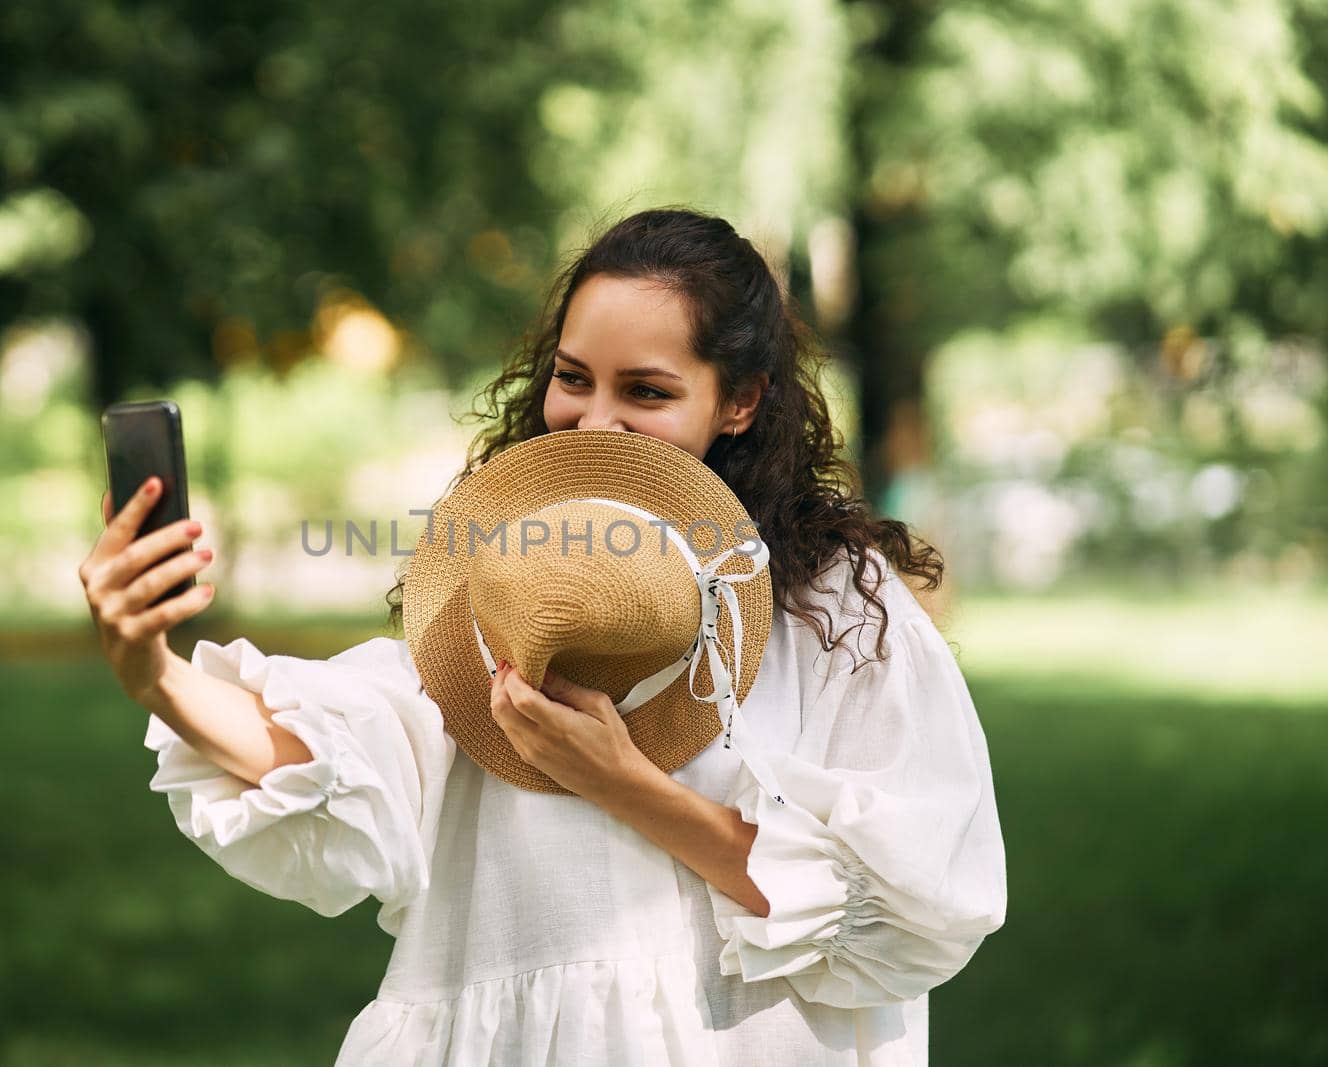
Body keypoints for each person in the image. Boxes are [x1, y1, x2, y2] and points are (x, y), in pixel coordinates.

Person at [77, 207, 1007, 1064]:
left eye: (645, 391)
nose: (592, 420)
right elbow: (338, 747)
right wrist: (152, 671)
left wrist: (621, 781)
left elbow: (905, 910)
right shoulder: (501, 580)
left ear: (740, 401)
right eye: (572, 378)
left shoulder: (835, 607)